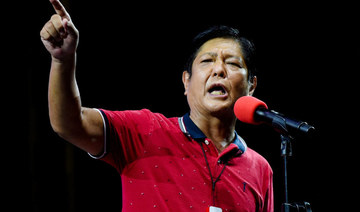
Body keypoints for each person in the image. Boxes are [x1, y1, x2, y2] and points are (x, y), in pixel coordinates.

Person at [40, 0, 274, 211]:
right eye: (207, 61)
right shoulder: (144, 130)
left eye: (232, 63)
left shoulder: (261, 169)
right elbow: (69, 124)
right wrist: (62, 60)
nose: (219, 70)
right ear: (186, 81)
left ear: (251, 86)